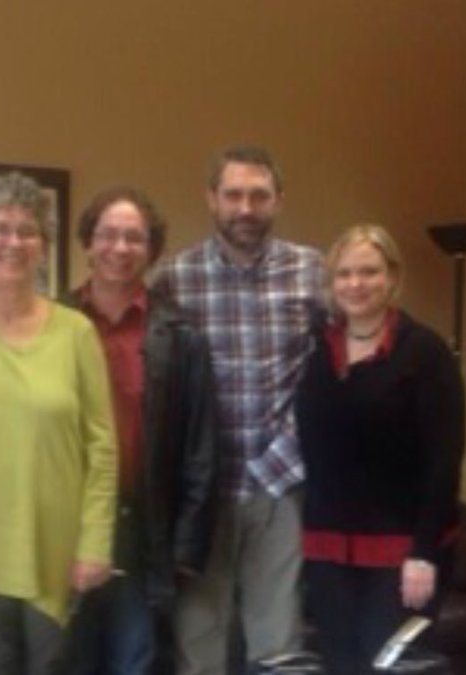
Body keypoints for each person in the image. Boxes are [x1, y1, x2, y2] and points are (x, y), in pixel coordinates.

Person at [0, 171, 118, 675]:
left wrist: (95, 543)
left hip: (55, 549)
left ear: (44, 246)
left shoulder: (76, 332)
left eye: (27, 230)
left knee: (52, 666)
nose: (13, 242)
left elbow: (102, 447)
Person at [151, 146, 325, 675]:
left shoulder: (313, 271)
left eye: (258, 196)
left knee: (278, 644)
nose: (245, 208)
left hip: (281, 484)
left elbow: (349, 355)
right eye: (233, 195)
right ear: (212, 199)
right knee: (199, 642)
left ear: (278, 200)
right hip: (203, 492)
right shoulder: (175, 278)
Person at [296, 224, 465, 675]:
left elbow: (444, 459)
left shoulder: (424, 352)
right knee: (340, 664)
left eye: (369, 272)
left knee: (387, 666)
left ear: (392, 276)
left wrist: (424, 553)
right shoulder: (319, 353)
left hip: (402, 551)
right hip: (328, 549)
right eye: (344, 274)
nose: (356, 284)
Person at [63, 187, 218, 675]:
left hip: (143, 523)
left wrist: (186, 547)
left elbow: (200, 447)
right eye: (108, 234)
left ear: (152, 250)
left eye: (135, 237)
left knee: (134, 657)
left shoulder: (181, 333)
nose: (120, 247)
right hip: (66, 519)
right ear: (87, 242)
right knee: (68, 657)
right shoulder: (50, 323)